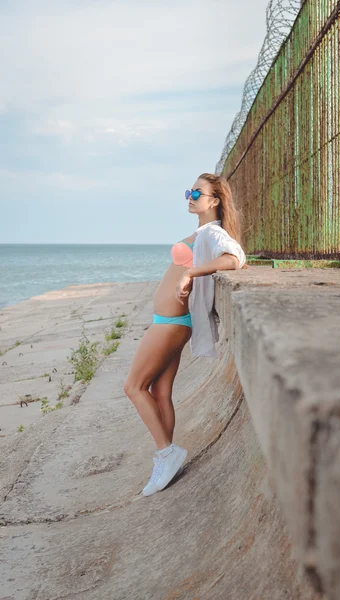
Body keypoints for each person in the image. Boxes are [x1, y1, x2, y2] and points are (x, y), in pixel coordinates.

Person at [123, 172, 247, 496]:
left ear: (214, 200)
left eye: (197, 193)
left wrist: (191, 271)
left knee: (133, 387)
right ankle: (166, 461)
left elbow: (235, 258)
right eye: (189, 192)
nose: (190, 197)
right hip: (169, 321)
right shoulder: (202, 233)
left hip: (170, 323)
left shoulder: (214, 233)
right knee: (160, 393)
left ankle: (167, 452)